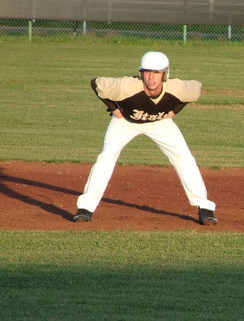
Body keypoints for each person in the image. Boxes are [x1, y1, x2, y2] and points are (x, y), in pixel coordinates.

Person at [73, 51, 217, 226]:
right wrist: (113, 108)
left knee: (184, 158)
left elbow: (194, 91)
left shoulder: (177, 88)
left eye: (156, 72)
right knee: (107, 156)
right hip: (125, 122)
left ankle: (205, 208)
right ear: (141, 73)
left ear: (165, 75)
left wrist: (174, 111)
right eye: (147, 72)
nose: (151, 77)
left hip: (160, 123)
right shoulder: (126, 86)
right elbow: (96, 84)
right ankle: (85, 208)